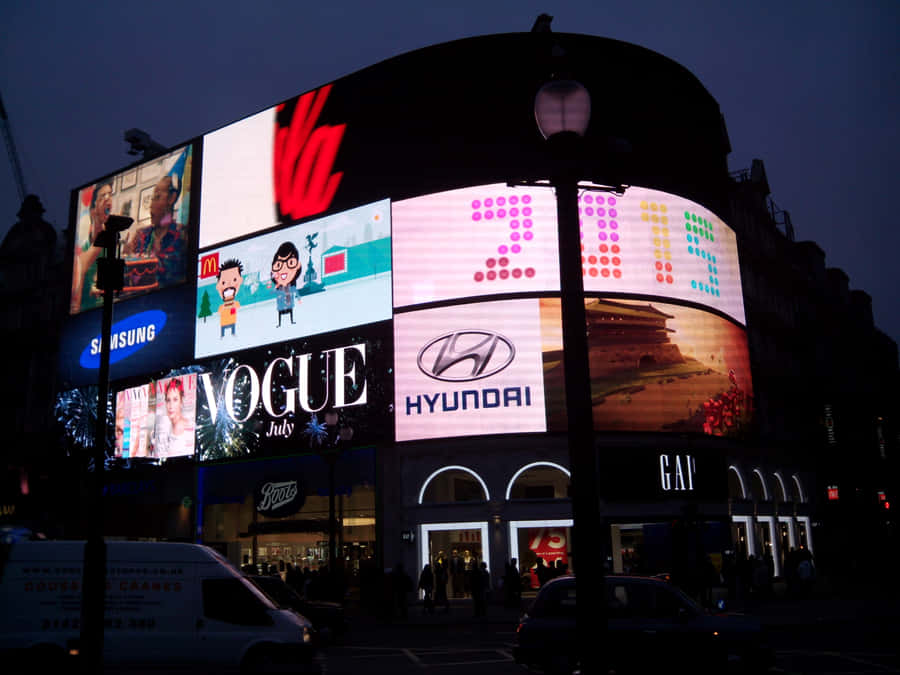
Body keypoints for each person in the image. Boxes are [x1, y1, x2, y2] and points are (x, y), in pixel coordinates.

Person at [124, 172, 187, 286]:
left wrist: (135, 261)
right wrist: (126, 259)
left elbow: (172, 273)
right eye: (152, 199)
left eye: (157, 197)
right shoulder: (141, 235)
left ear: (172, 198)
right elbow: (130, 279)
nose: (151, 205)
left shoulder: (181, 235)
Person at [71, 179, 113, 313]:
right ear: (92, 211)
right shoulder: (82, 247)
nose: (108, 199)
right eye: (102, 196)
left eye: (110, 194)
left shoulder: (112, 247)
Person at [154, 378, 192, 458]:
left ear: (181, 402)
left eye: (175, 400)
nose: (171, 406)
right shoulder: (168, 427)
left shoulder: (187, 428)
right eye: (168, 400)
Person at [270, 242, 302, 327]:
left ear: (298, 265)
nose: (284, 269)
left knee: (290, 311)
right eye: (278, 265)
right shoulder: (279, 288)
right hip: (281, 305)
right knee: (280, 313)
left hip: (289, 304)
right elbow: (274, 293)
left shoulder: (291, 287)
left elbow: (295, 291)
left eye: (290, 263)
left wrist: (298, 298)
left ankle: (291, 321)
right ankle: (279, 324)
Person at [216, 259, 243, 338]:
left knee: (232, 326)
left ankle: (232, 333)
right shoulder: (222, 306)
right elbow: (219, 311)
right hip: (224, 321)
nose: (229, 284)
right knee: (223, 328)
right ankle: (222, 335)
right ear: (218, 286)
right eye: (223, 283)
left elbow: (237, 307)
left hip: (231, 320)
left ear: (240, 281)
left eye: (234, 280)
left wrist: (232, 306)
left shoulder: (235, 303)